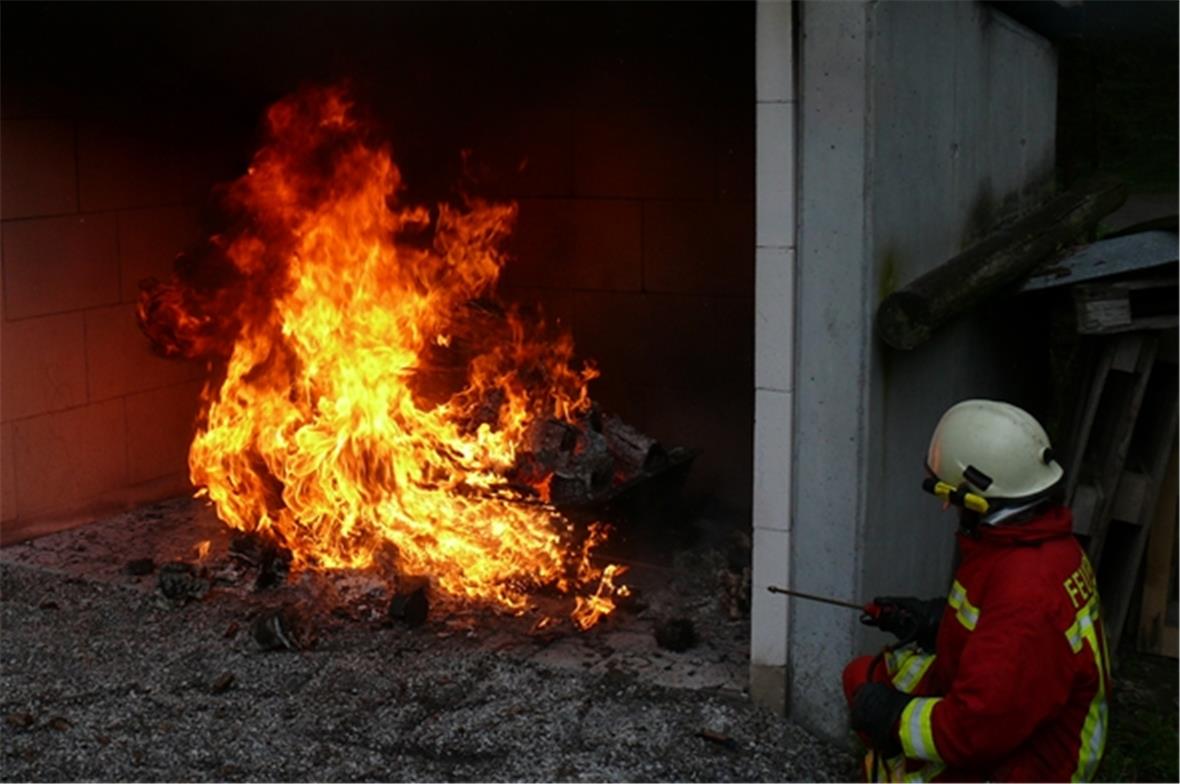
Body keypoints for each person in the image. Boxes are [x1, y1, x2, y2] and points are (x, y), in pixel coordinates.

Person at [843, 399, 1112, 782]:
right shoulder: (1034, 544)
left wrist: (896, 718)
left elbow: (975, 729)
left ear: (976, 498)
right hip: (1018, 715)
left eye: (948, 496)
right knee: (861, 676)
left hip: (1027, 765)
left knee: (869, 701)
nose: (945, 507)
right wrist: (936, 621)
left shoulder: (1026, 594)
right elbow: (1004, 640)